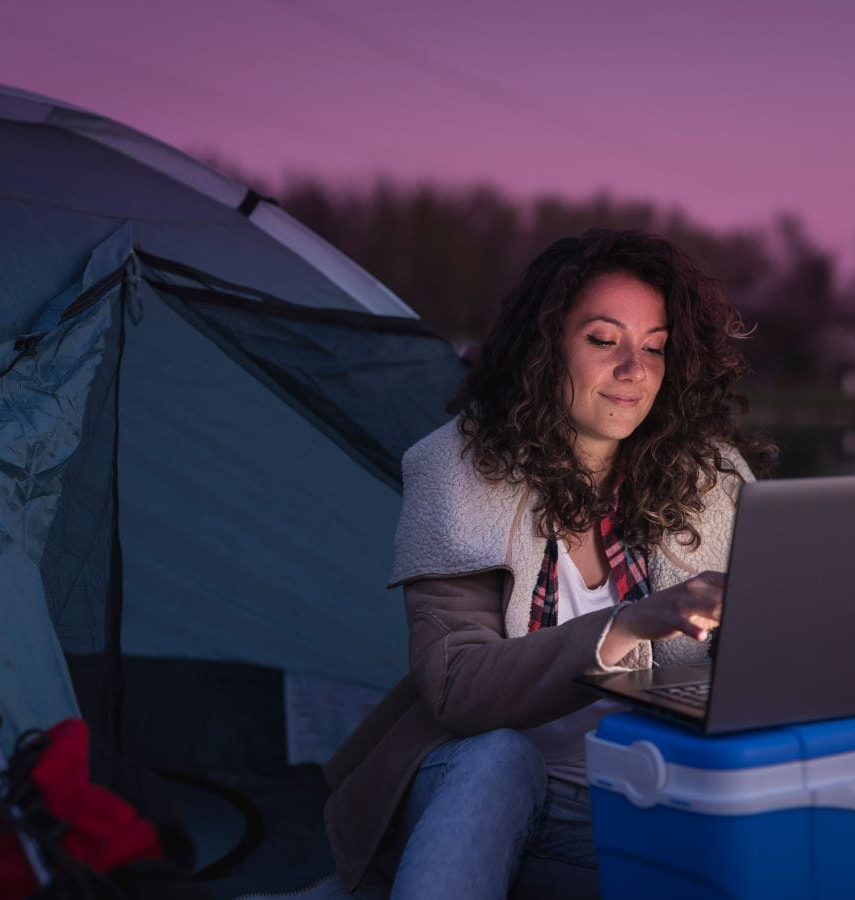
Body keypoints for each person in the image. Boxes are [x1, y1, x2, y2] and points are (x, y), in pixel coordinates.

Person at [323, 229, 775, 899]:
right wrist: (630, 626)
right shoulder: (457, 469)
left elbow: (748, 661)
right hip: (491, 791)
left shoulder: (711, 480)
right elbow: (458, 686)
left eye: (654, 347)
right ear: (546, 346)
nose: (634, 369)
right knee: (499, 756)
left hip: (636, 795)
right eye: (603, 340)